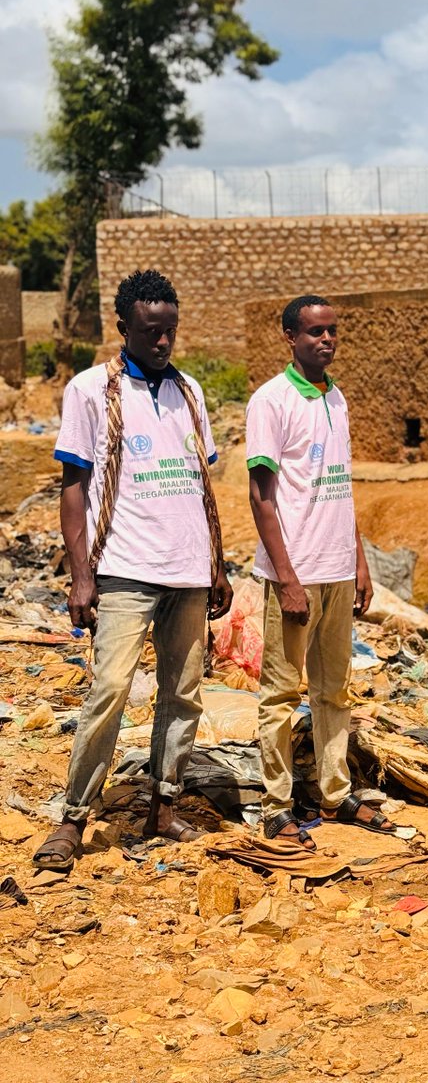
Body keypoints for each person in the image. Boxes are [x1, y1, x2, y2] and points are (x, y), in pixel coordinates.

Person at [33, 270, 233, 869]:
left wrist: (217, 565)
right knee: (110, 689)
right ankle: (73, 817)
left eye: (170, 330)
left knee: (183, 693)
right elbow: (74, 487)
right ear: (124, 327)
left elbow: (199, 486)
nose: (163, 341)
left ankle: (163, 806)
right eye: (151, 331)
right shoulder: (91, 390)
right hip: (123, 567)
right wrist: (81, 575)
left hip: (189, 571)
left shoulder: (190, 391)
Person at [247, 294, 394, 845]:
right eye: (314, 331)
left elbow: (340, 487)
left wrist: (359, 561)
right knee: (281, 694)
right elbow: (261, 497)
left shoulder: (337, 397)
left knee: (335, 691)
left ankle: (335, 793)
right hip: (297, 572)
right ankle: (276, 806)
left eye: (332, 330)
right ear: (290, 337)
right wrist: (286, 579)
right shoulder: (271, 400)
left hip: (337, 569)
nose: (326, 339)